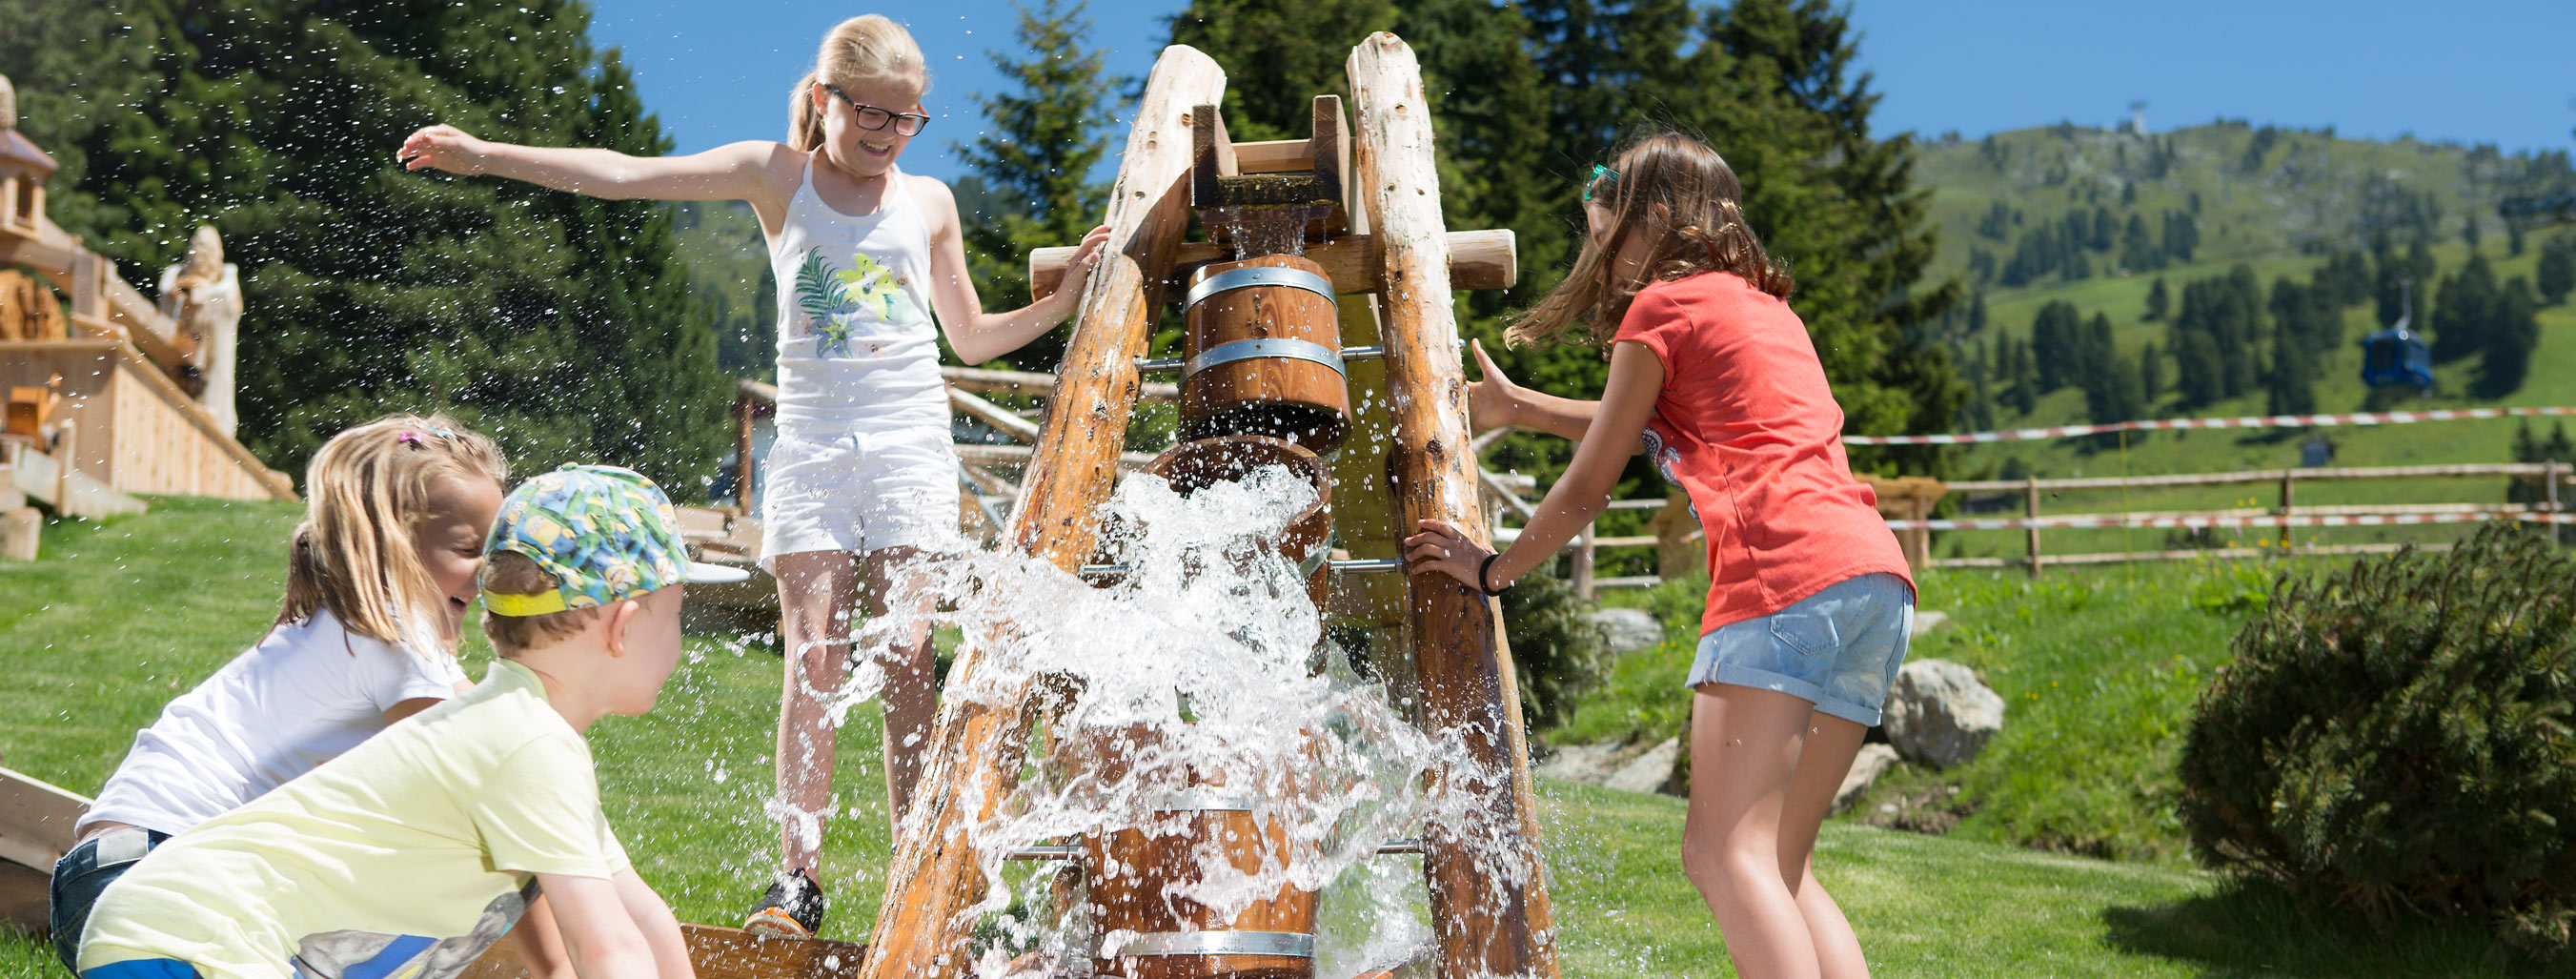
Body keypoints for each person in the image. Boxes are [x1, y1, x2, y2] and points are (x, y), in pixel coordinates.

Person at [395, 15, 1113, 937]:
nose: (889, 137)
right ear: (826, 100)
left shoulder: (928, 200)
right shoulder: (779, 176)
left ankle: (919, 869)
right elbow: (622, 174)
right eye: (872, 118)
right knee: (813, 655)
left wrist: (1060, 300)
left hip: (907, 446)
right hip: (812, 448)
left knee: (904, 659)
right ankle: (797, 879)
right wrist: (486, 154)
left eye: (907, 120)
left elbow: (968, 334)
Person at [1404, 133, 1914, 979]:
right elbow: (1649, 424)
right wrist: (1520, 405)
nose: (1603, 261)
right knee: (1781, 866)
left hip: (1779, 578)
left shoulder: (1662, 309)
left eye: (1609, 237)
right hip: (1871, 582)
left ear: (1662, 219)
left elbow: (1588, 485)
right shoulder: (1764, 309)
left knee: (1722, 856)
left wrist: (1492, 569)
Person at [76, 464, 749, 979]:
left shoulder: (523, 732)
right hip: (193, 938)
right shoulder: (525, 744)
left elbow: (646, 918)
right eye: (678, 615)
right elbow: (609, 948)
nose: (681, 642)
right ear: (623, 627)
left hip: (186, 930)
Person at [50, 416, 507, 974]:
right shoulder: (397, 629)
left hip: (107, 874)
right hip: (167, 878)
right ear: (392, 546)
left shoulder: (341, 624)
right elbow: (487, 763)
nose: (487, 574)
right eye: (467, 548)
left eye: (498, 550)